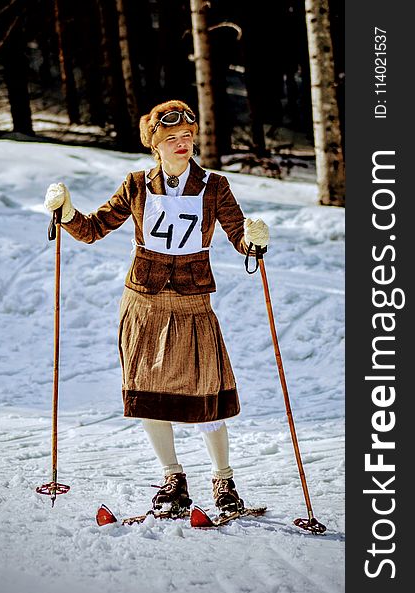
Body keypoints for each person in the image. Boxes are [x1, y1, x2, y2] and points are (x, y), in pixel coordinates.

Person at [44, 100, 269, 517]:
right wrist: (68, 214)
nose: (183, 143)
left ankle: (223, 479)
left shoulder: (214, 186)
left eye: (188, 136)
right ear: (156, 145)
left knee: (205, 392)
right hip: (143, 304)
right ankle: (173, 477)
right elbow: (93, 229)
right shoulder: (136, 185)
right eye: (173, 138)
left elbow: (239, 234)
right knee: (148, 393)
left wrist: (253, 241)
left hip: (192, 304)